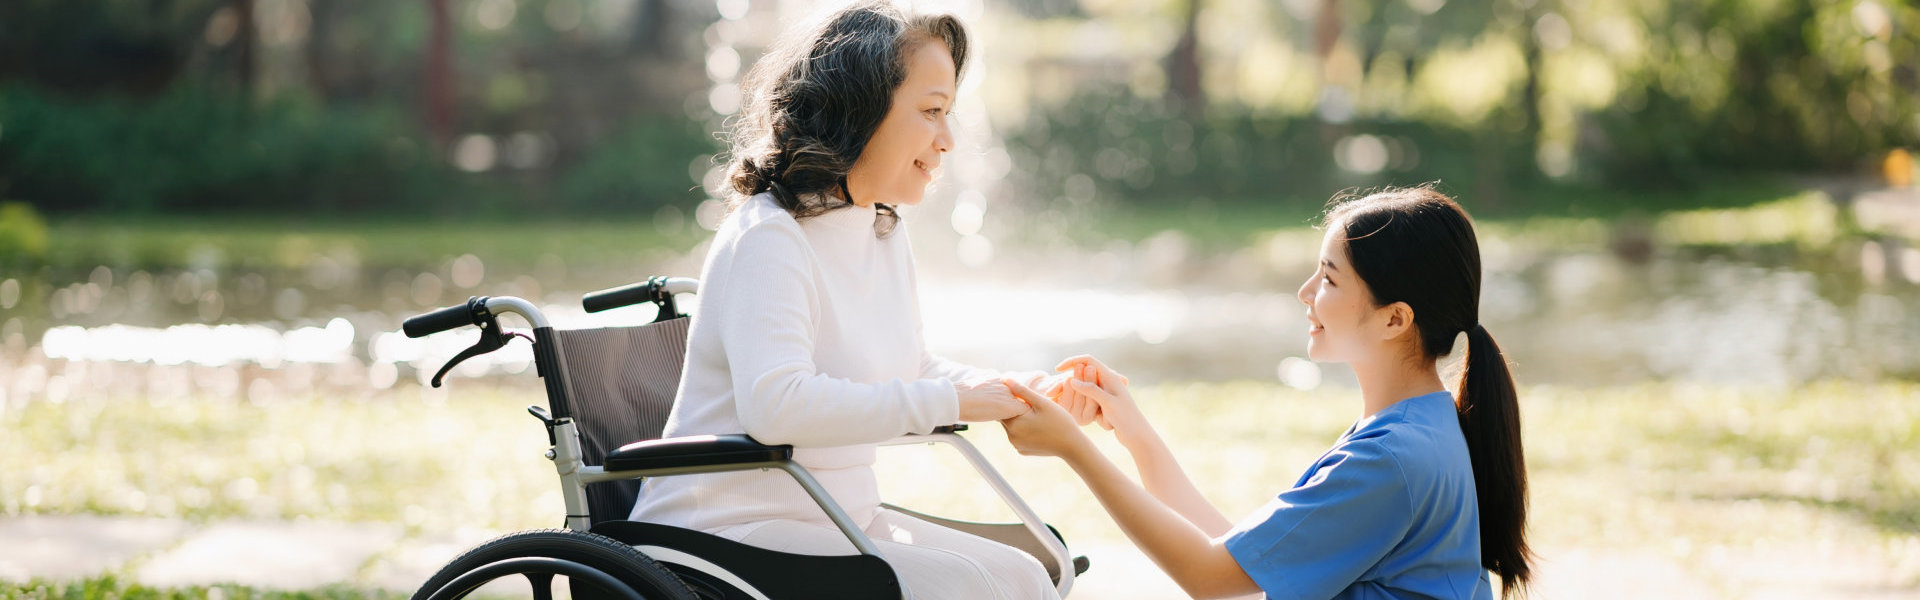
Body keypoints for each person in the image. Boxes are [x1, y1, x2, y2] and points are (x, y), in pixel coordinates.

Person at [629, 2, 1063, 599]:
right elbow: (775, 407)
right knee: (977, 589)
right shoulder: (770, 236)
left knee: (1035, 575)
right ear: (859, 110)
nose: (948, 139)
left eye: (950, 113)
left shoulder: (878, 228)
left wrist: (1019, 392)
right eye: (931, 112)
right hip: (723, 531)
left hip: (831, 515)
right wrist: (956, 399)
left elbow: (913, 371)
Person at [1002, 186, 1533, 599]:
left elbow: (1208, 575)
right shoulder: (1417, 430)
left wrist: (1075, 449)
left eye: (1328, 278)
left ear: (1395, 318)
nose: (1305, 293)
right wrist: (1133, 431)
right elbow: (1244, 561)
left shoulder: (1391, 459)